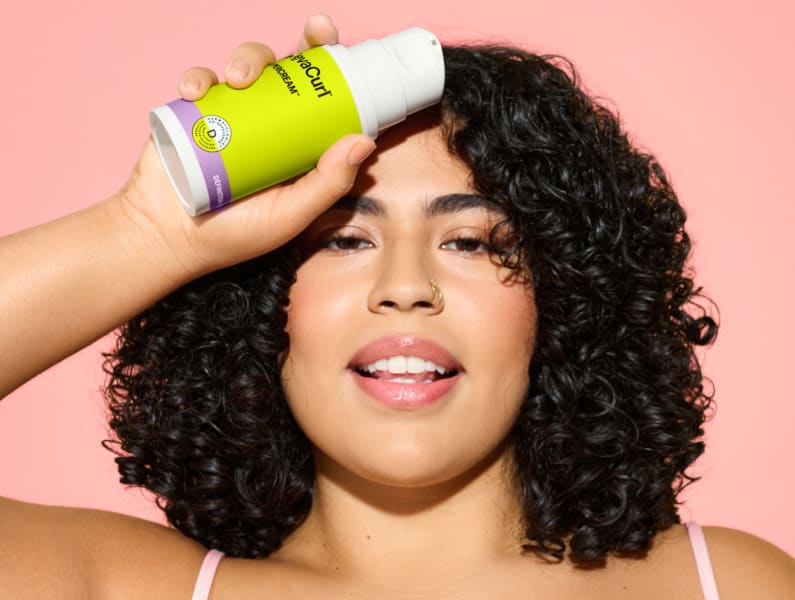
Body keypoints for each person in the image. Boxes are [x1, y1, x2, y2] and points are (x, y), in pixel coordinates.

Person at [1, 14, 793, 599]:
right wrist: (151, 232)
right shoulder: (122, 587)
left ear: (565, 305)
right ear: (255, 311)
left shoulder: (727, 584)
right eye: (343, 241)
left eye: (472, 242)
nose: (406, 286)